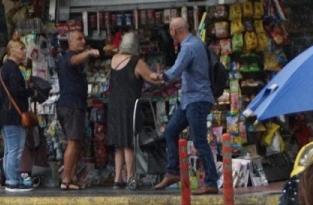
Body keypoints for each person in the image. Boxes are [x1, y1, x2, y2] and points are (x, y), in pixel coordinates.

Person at [150, 18, 219, 195]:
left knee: (200, 141)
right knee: (171, 131)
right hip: (189, 99)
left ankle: (211, 182)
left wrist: (159, 77)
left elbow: (175, 71)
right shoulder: (195, 43)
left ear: (173, 31)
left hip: (196, 99)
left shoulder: (188, 47)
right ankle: (173, 172)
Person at [106, 31, 160, 188]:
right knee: (129, 141)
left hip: (114, 104)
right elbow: (152, 78)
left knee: (119, 143)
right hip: (130, 105)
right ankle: (130, 177)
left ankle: (117, 178)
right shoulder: (136, 61)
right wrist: (159, 72)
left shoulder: (114, 59)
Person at [57, 30, 99, 191]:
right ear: (70, 42)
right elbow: (74, 60)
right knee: (73, 142)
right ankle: (66, 179)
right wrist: (89, 52)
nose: (83, 41)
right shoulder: (69, 57)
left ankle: (73, 177)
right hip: (71, 106)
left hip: (75, 105)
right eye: (79, 39)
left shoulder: (73, 60)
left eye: (84, 39)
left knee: (77, 142)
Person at [0, 39, 33, 193]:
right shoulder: (12, 70)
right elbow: (17, 92)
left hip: (5, 114)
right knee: (15, 149)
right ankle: (13, 180)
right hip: (13, 115)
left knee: (9, 149)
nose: (24, 52)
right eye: (21, 49)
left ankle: (11, 179)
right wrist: (30, 91)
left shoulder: (4, 69)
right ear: (12, 51)